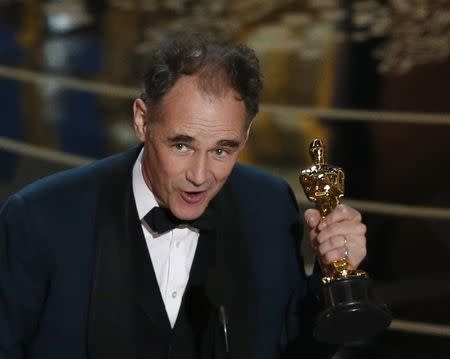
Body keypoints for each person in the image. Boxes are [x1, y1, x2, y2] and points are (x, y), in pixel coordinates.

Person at [0, 32, 367, 359]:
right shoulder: (41, 218)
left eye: (223, 150)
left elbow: (294, 347)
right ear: (142, 121)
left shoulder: (268, 207)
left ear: (247, 134)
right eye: (181, 145)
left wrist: (332, 275)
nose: (200, 176)